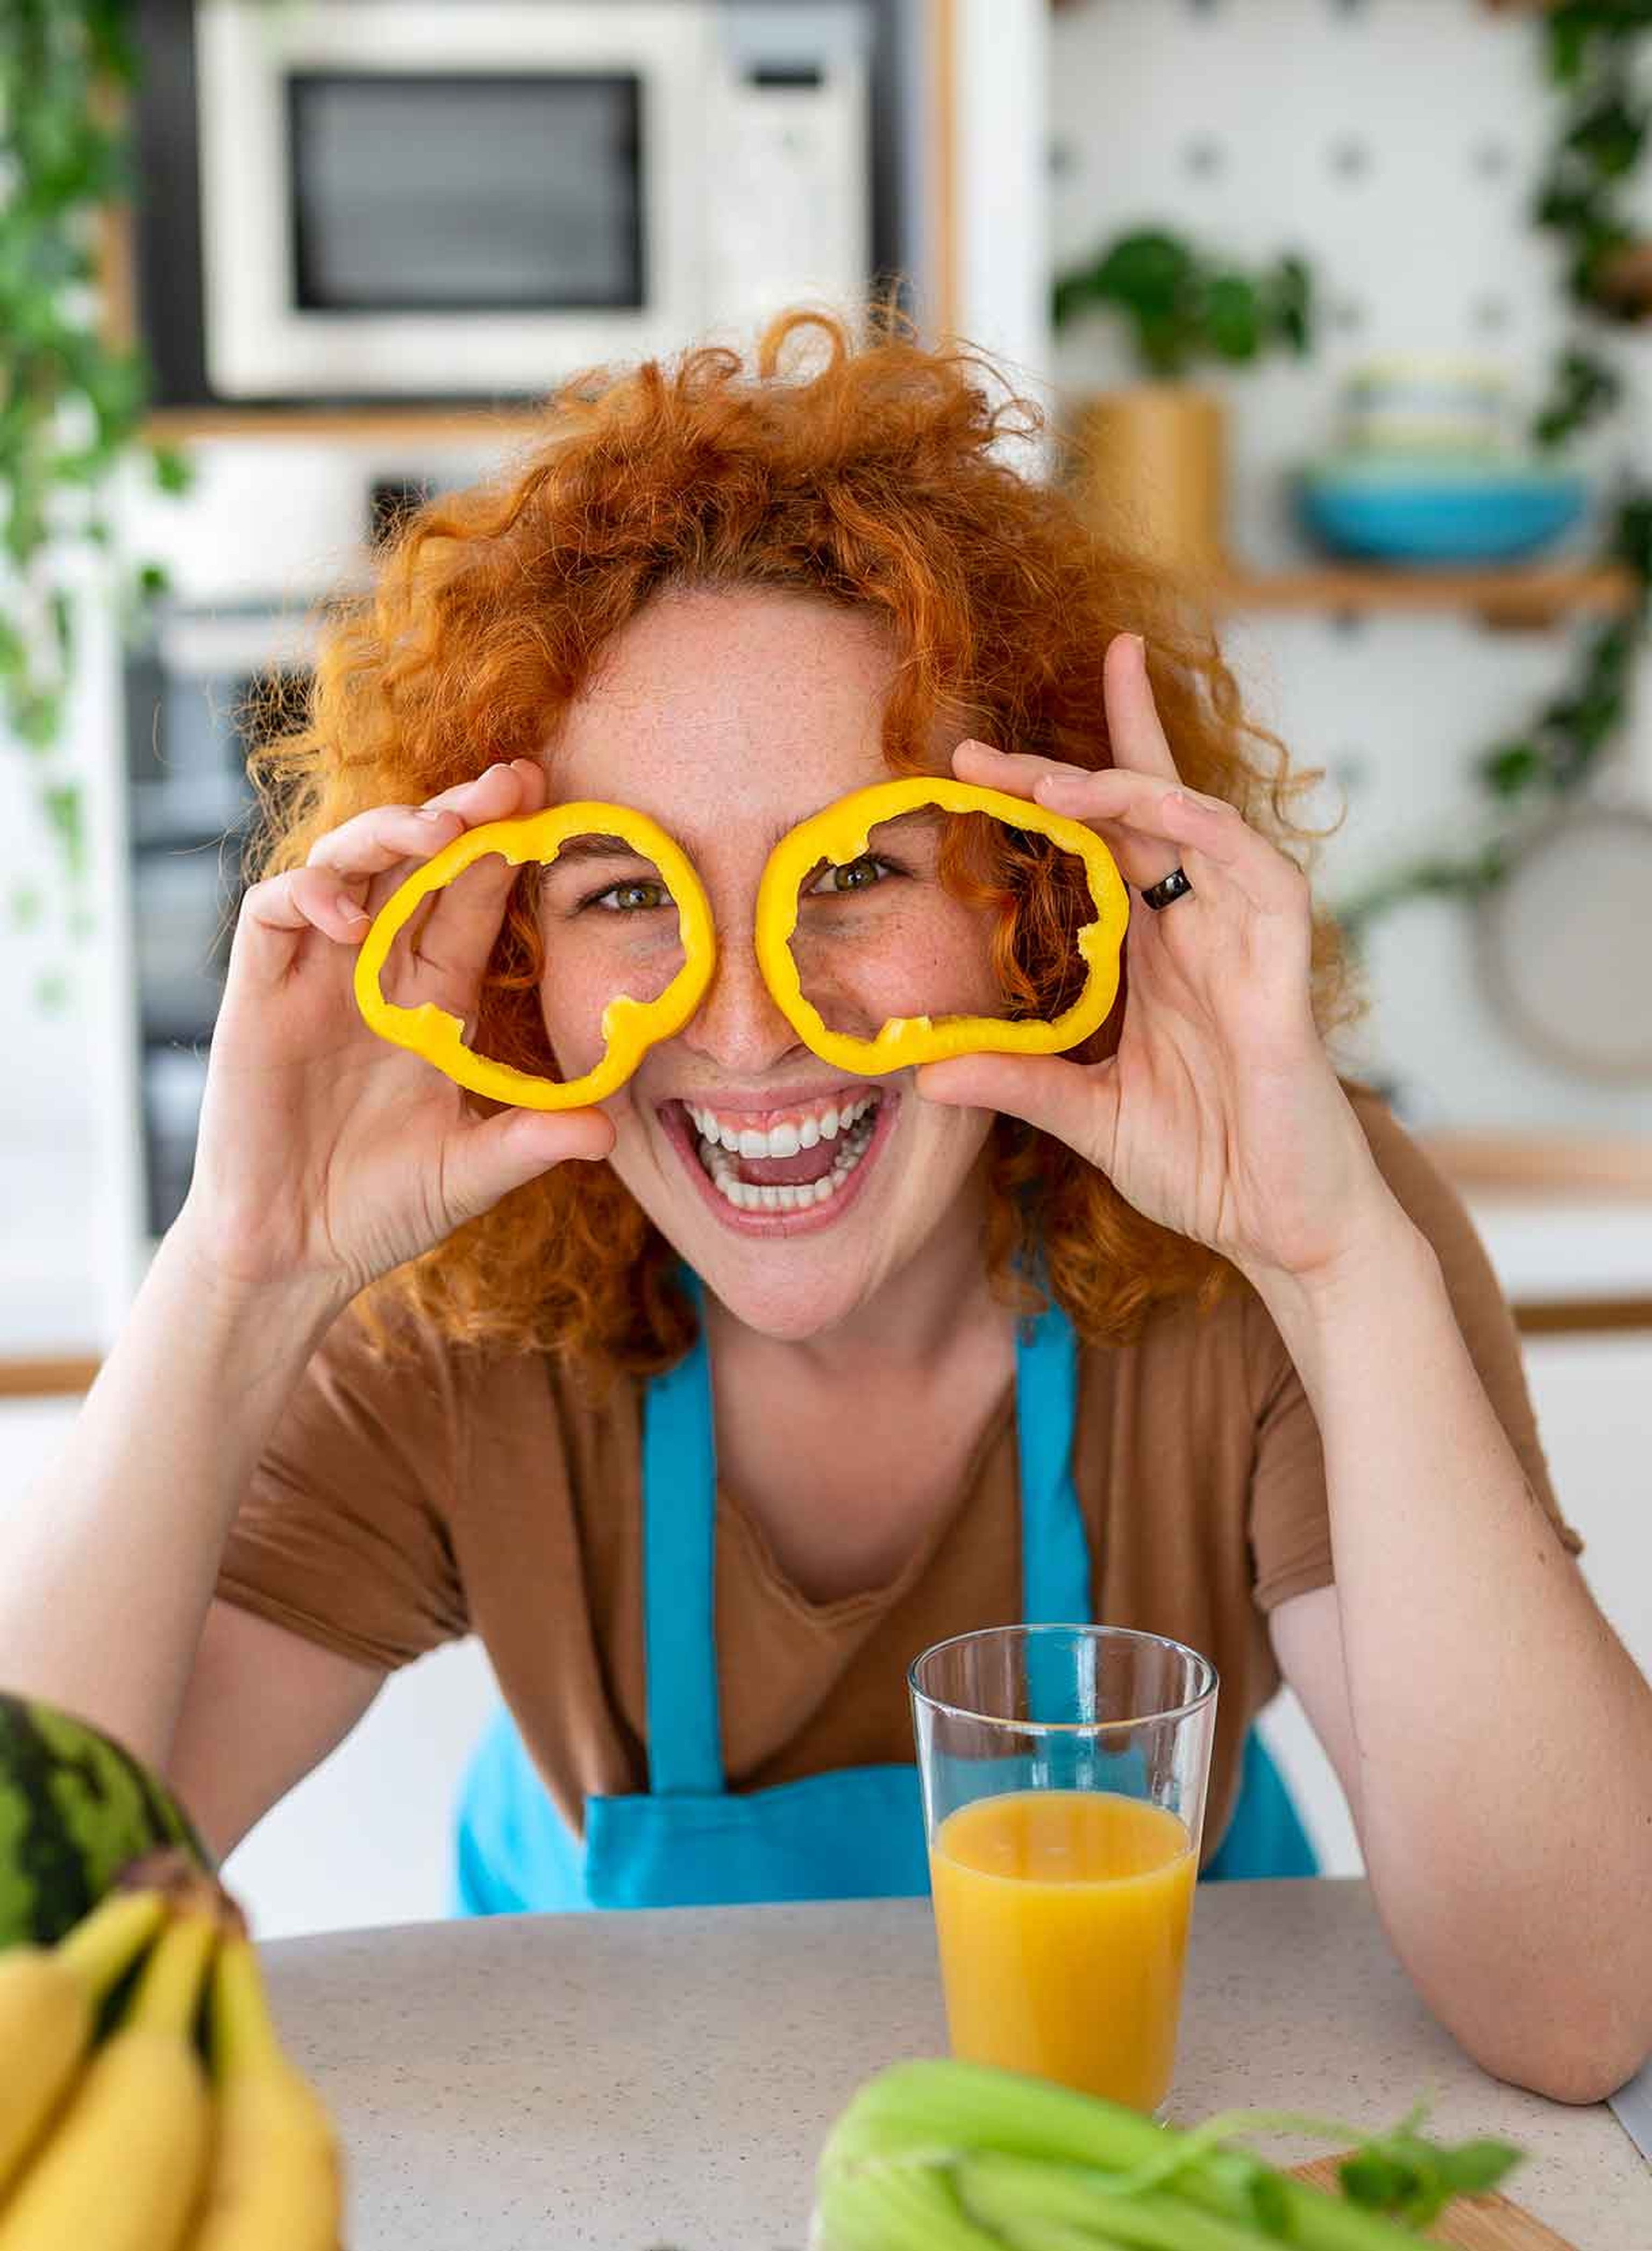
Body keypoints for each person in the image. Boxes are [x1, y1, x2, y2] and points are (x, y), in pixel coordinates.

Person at [5, 313, 1648, 2103]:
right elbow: (24, 1970)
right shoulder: (449, 1302)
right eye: (628, 888)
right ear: (506, 954)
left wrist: (1339, 1268)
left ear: (1041, 883)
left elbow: (1578, 2007)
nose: (745, 1015)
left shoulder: (1282, 1233)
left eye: (856, 868)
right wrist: (238, 1270)